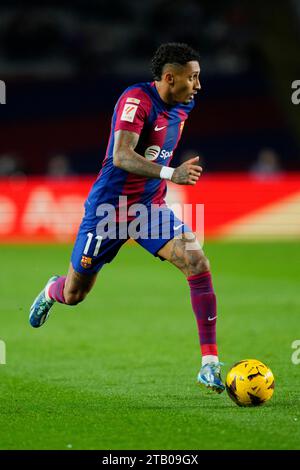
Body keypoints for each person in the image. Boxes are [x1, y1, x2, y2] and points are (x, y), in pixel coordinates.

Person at [29, 43, 225, 393]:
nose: (198, 85)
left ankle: (209, 364)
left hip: (149, 208)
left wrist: (160, 182)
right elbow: (121, 155)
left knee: (197, 261)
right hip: (109, 210)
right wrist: (170, 173)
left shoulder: (184, 104)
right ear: (169, 77)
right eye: (192, 78)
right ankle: (50, 289)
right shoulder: (136, 101)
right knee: (75, 293)